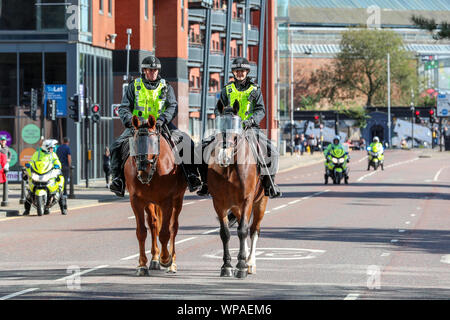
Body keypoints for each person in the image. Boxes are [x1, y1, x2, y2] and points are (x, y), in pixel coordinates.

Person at [109, 55, 202, 197]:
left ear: (158, 71)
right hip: (138, 127)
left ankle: (191, 175)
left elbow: (172, 106)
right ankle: (117, 180)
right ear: (144, 71)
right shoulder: (134, 86)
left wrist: (162, 120)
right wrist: (131, 121)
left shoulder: (166, 86)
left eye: (155, 70)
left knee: (186, 141)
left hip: (161, 125)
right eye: (149, 70)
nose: (152, 73)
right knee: (116, 146)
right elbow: (123, 107)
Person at [197, 56, 281, 199]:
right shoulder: (227, 89)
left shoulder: (255, 90)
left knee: (272, 151)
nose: (240, 73)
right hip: (228, 129)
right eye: (237, 71)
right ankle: (205, 183)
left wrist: (252, 120)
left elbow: (261, 110)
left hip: (249, 129)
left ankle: (269, 184)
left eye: (242, 71)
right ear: (233, 73)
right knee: (202, 148)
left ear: (247, 72)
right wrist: (221, 116)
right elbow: (218, 108)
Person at [24, 139, 66, 215]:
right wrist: (28, 165)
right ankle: (27, 210)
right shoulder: (37, 153)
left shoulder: (52, 154)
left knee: (59, 189)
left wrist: (57, 166)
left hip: (48, 173)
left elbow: (57, 161)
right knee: (29, 192)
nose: (52, 149)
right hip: (38, 173)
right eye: (50, 148)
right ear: (45, 147)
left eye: (52, 148)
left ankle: (63, 209)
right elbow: (32, 161)